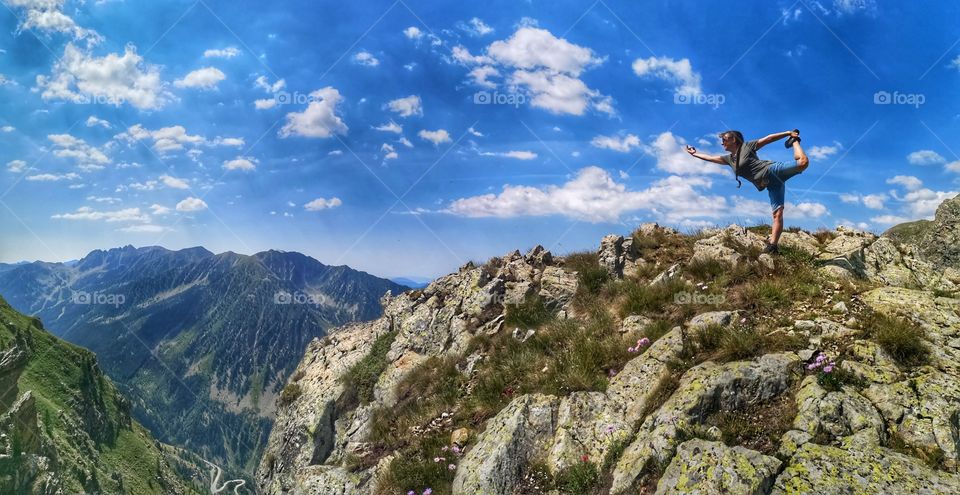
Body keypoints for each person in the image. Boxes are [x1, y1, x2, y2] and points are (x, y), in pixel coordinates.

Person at [684, 129, 808, 254]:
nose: (722, 143)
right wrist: (694, 154)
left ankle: (794, 142)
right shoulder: (729, 159)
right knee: (777, 214)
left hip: (771, 170)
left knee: (803, 162)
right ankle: (773, 246)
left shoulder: (747, 147)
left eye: (724, 140)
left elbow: (768, 139)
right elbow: (710, 158)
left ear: (733, 140)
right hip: (770, 183)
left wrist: (788, 133)